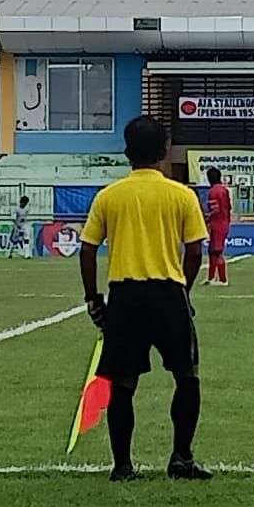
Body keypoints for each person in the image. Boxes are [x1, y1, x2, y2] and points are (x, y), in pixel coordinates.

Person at [79, 115, 212, 482]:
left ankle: (122, 465)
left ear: (126, 152)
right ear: (164, 151)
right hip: (168, 292)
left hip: (125, 295)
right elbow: (195, 250)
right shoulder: (181, 195)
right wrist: (183, 290)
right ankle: (181, 458)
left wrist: (94, 298)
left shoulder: (110, 196)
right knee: (187, 376)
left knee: (122, 384)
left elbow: (88, 249)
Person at [204, 167, 232, 286]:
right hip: (224, 223)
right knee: (212, 251)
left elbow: (215, 210)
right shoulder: (224, 190)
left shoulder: (213, 191)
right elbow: (229, 207)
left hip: (217, 224)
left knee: (217, 252)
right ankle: (210, 278)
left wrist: (206, 218)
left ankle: (222, 279)